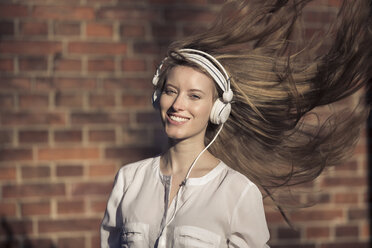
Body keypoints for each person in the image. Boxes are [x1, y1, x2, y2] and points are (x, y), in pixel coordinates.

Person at [100, 0, 371, 247]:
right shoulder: (129, 180)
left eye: (194, 96)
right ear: (157, 96)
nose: (177, 105)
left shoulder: (236, 191)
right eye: (171, 91)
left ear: (217, 110)